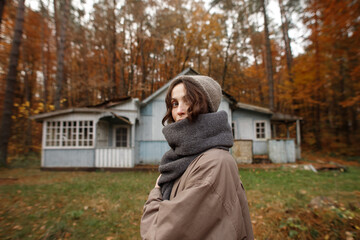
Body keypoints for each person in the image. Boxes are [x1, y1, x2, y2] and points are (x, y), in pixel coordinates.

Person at [140, 75, 254, 240]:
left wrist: (156, 193)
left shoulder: (213, 164)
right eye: (174, 103)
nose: (179, 110)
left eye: (188, 101)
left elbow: (160, 234)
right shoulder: (183, 159)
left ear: (206, 106)